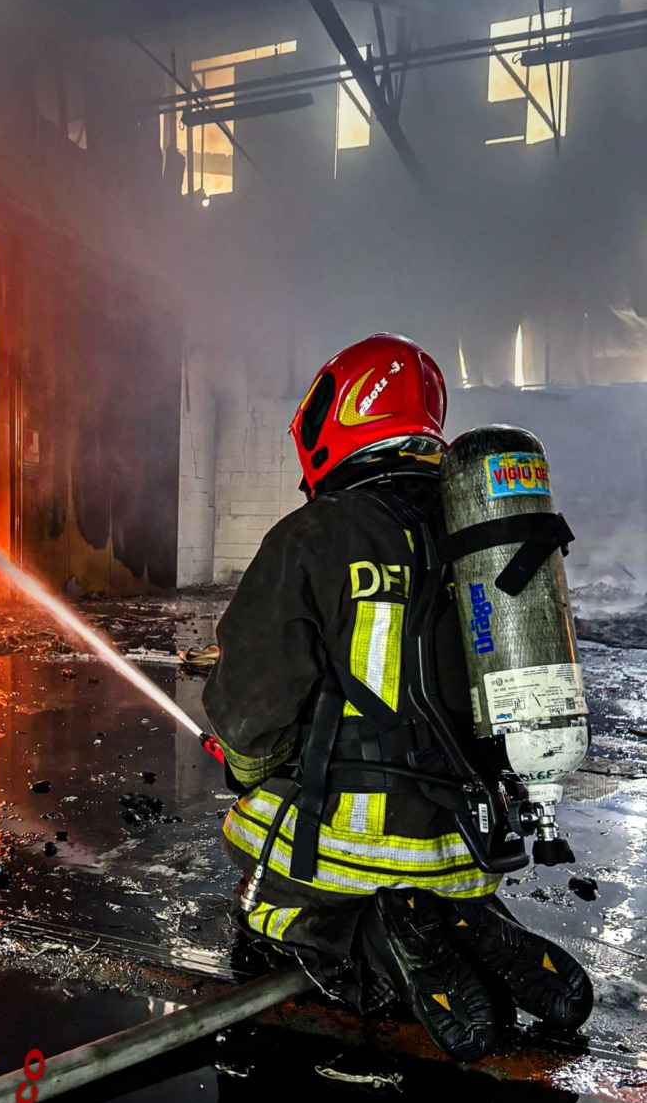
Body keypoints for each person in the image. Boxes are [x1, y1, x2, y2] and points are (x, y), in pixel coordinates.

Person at [203, 333, 593, 1061]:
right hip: (469, 840)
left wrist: (247, 769)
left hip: (347, 842)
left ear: (338, 419)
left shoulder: (313, 535)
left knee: (259, 894)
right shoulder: (479, 536)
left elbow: (251, 711)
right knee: (428, 883)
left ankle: (366, 935)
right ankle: (454, 918)